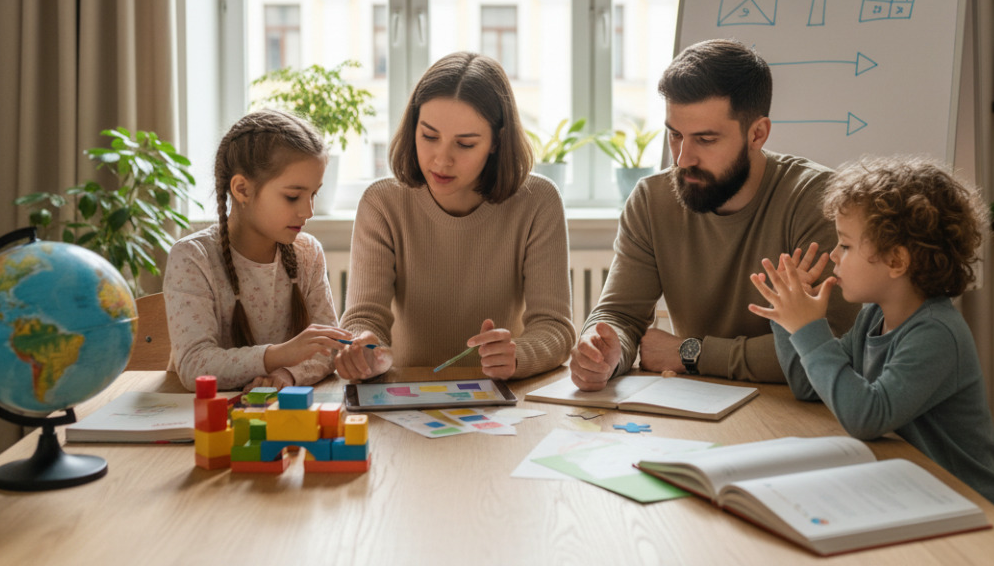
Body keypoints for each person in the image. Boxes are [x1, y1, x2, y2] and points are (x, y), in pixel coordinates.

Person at [569, 38, 856, 391]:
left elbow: (831, 348)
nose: (682, 158)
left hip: (797, 411)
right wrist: (604, 351)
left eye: (705, 140)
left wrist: (691, 353)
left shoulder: (819, 200)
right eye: (675, 135)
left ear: (757, 134)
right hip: (696, 402)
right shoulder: (651, 200)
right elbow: (619, 315)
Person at [748, 154, 994, 511]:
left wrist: (810, 329)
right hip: (906, 493)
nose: (834, 255)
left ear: (896, 261)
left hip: (965, 507)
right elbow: (809, 387)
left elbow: (866, 417)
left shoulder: (936, 334)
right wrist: (788, 318)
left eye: (845, 245)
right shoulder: (874, 316)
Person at [335, 52, 574, 382]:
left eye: (465, 144)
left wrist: (518, 355)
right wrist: (364, 347)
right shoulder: (382, 203)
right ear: (412, 127)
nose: (441, 160)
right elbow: (364, 317)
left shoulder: (538, 202)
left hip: (502, 397)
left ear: (496, 141)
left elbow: (556, 327)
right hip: (406, 393)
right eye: (429, 136)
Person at [165, 108, 350, 392]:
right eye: (293, 196)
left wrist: (287, 374)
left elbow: (328, 350)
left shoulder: (307, 253)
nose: (308, 210)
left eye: (314, 194)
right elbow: (194, 365)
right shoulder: (193, 258)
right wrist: (280, 355)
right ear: (242, 190)